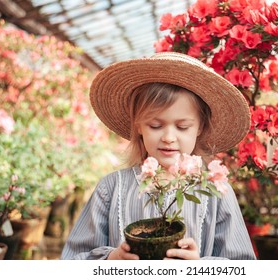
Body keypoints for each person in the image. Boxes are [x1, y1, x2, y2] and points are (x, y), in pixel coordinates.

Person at [61, 52, 256, 260]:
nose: (169, 137)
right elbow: (72, 260)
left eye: (182, 127)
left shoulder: (216, 193)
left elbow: (241, 264)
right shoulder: (111, 189)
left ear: (200, 127)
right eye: (155, 125)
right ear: (138, 126)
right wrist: (111, 260)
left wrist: (198, 267)